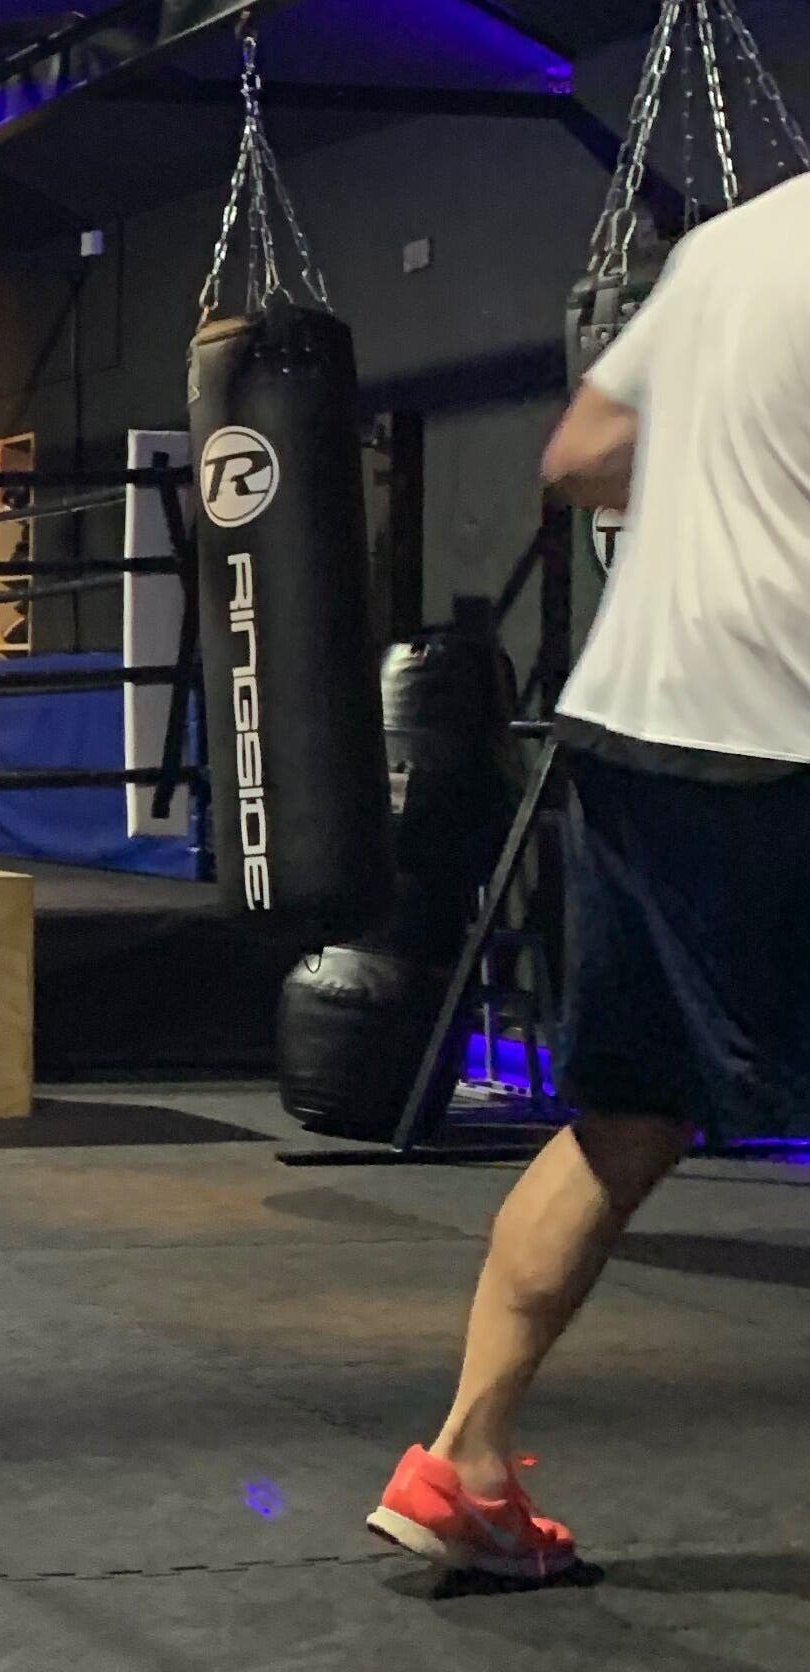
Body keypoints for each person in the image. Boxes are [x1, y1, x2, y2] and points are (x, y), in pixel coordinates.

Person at [367, 175, 810, 1581]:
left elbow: (578, 457)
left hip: (636, 725)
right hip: (785, 731)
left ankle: (465, 1462)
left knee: (626, 1115)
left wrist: (731, 484)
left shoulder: (734, 246)